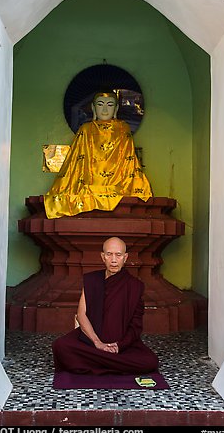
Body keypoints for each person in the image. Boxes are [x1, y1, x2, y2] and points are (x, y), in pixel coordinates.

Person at [52, 236, 159, 375]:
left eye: (118, 255)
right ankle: (110, 362)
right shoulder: (92, 280)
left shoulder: (135, 286)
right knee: (60, 346)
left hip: (121, 345)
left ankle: (97, 361)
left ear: (125, 257)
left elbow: (136, 325)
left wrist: (119, 346)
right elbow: (81, 314)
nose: (113, 260)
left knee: (150, 361)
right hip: (91, 341)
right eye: (109, 254)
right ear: (103, 257)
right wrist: (98, 343)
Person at [44, 91, 152, 219]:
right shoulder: (86, 129)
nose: (105, 109)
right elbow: (77, 161)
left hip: (117, 184)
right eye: (100, 105)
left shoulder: (123, 129)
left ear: (116, 108)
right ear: (93, 108)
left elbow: (128, 161)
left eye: (110, 105)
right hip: (89, 183)